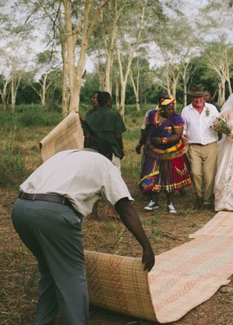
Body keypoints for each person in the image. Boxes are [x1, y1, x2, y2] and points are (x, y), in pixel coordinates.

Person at [11, 137, 155, 325]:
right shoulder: (105, 164)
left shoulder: (63, 156)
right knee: (71, 277)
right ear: (108, 155)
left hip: (20, 209)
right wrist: (146, 245)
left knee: (50, 269)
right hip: (52, 214)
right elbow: (125, 208)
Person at [137, 96, 191, 213]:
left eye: (172, 109)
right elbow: (146, 131)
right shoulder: (152, 115)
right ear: (161, 109)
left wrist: (163, 141)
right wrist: (140, 143)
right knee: (152, 175)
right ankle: (154, 201)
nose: (171, 112)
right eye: (168, 109)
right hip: (153, 151)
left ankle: (170, 204)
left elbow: (177, 136)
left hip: (170, 152)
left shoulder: (177, 119)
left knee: (168, 176)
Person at [181, 84, 220, 209]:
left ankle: (207, 201)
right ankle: (199, 197)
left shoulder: (212, 109)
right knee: (195, 173)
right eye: (194, 97)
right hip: (193, 146)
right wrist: (183, 135)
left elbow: (220, 123)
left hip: (211, 144)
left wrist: (219, 127)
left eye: (200, 97)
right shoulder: (186, 110)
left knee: (209, 175)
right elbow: (183, 128)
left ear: (204, 97)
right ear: (191, 98)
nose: (197, 100)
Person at [84, 91, 126, 170]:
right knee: (115, 176)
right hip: (112, 150)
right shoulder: (115, 114)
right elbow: (118, 135)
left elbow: (87, 136)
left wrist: (85, 150)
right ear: (108, 102)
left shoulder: (90, 116)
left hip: (94, 152)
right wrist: (121, 149)